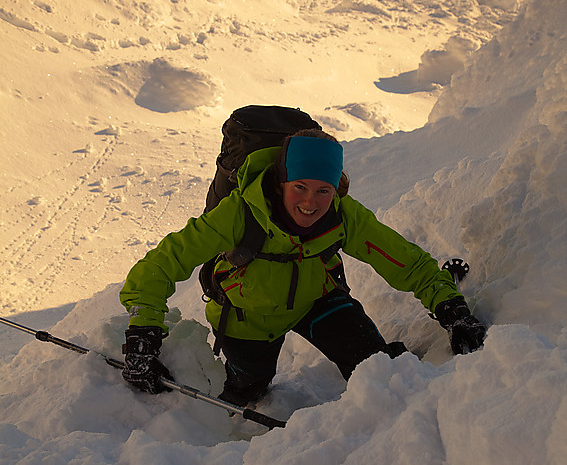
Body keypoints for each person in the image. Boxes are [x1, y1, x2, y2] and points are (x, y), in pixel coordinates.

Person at [119, 129, 486, 404]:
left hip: (318, 300)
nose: (311, 202)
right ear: (281, 183)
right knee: (247, 391)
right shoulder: (239, 213)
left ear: (336, 189)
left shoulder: (342, 215)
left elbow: (403, 260)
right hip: (249, 317)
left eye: (323, 190)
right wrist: (143, 331)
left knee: (378, 369)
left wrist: (448, 305)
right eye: (300, 187)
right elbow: (163, 263)